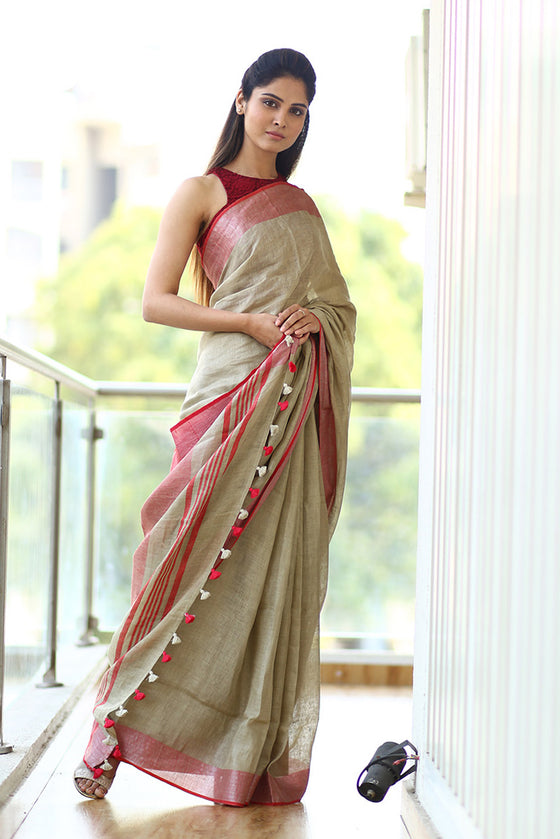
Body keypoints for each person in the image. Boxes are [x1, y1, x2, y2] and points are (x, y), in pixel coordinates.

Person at [74, 47, 355, 807]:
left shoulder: (300, 205)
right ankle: (112, 725)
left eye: (297, 111)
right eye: (270, 102)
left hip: (289, 410)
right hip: (226, 396)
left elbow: (335, 304)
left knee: (262, 578)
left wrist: (314, 320)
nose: (281, 120)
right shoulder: (201, 192)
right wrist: (250, 324)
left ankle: (243, 753)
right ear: (241, 100)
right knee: (178, 557)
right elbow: (156, 301)